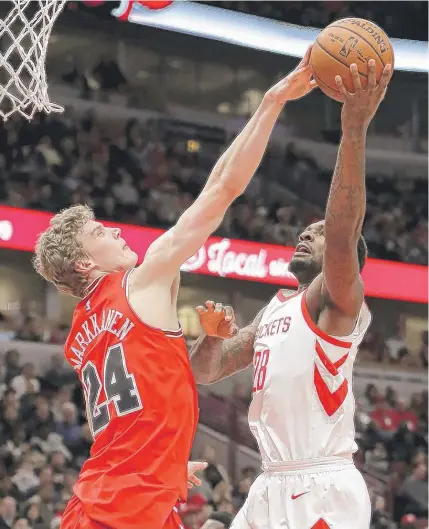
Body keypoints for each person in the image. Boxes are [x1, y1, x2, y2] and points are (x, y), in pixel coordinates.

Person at [33, 49, 317, 529]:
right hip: (124, 511)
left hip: (106, 499)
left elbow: (128, 410)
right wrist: (272, 101)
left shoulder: (78, 335)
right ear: (84, 262)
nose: (117, 233)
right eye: (102, 233)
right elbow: (221, 189)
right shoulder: (142, 280)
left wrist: (162, 466)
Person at [190, 59, 393, 529]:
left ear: (347, 262)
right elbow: (208, 371)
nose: (305, 235)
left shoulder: (336, 305)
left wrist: (354, 126)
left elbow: (344, 232)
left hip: (321, 486)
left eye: (316, 234)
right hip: (270, 480)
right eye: (304, 231)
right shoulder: (275, 309)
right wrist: (214, 338)